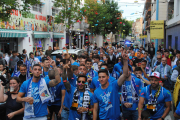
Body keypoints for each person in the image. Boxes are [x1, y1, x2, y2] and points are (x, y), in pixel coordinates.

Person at [93, 53, 129, 120]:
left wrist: (125, 61)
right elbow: (95, 109)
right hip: (103, 118)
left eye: (103, 77)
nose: (101, 79)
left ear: (108, 77)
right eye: (100, 77)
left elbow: (124, 75)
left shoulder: (114, 85)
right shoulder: (96, 92)